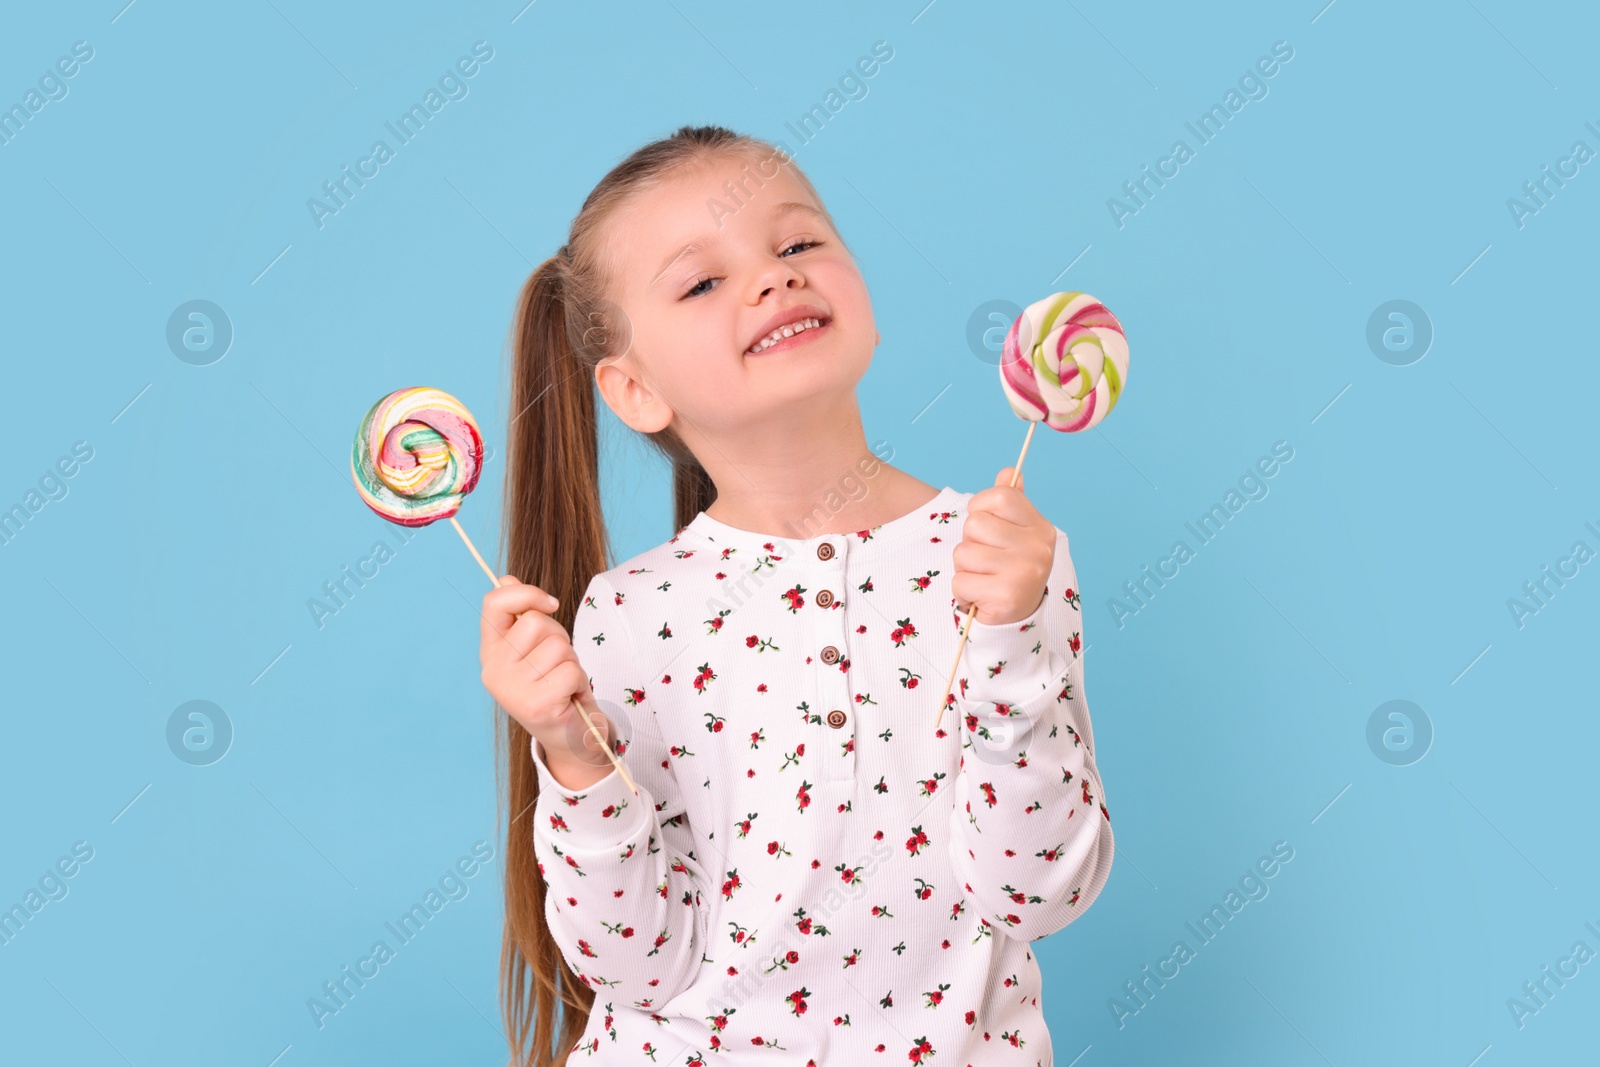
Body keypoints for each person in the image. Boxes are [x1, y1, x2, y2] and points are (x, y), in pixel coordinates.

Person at [479, 124, 1113, 1066]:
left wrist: (1015, 640)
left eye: (799, 243)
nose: (774, 279)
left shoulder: (1004, 555)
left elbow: (1038, 893)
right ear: (634, 389)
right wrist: (571, 756)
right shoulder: (629, 614)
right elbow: (633, 964)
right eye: (701, 282)